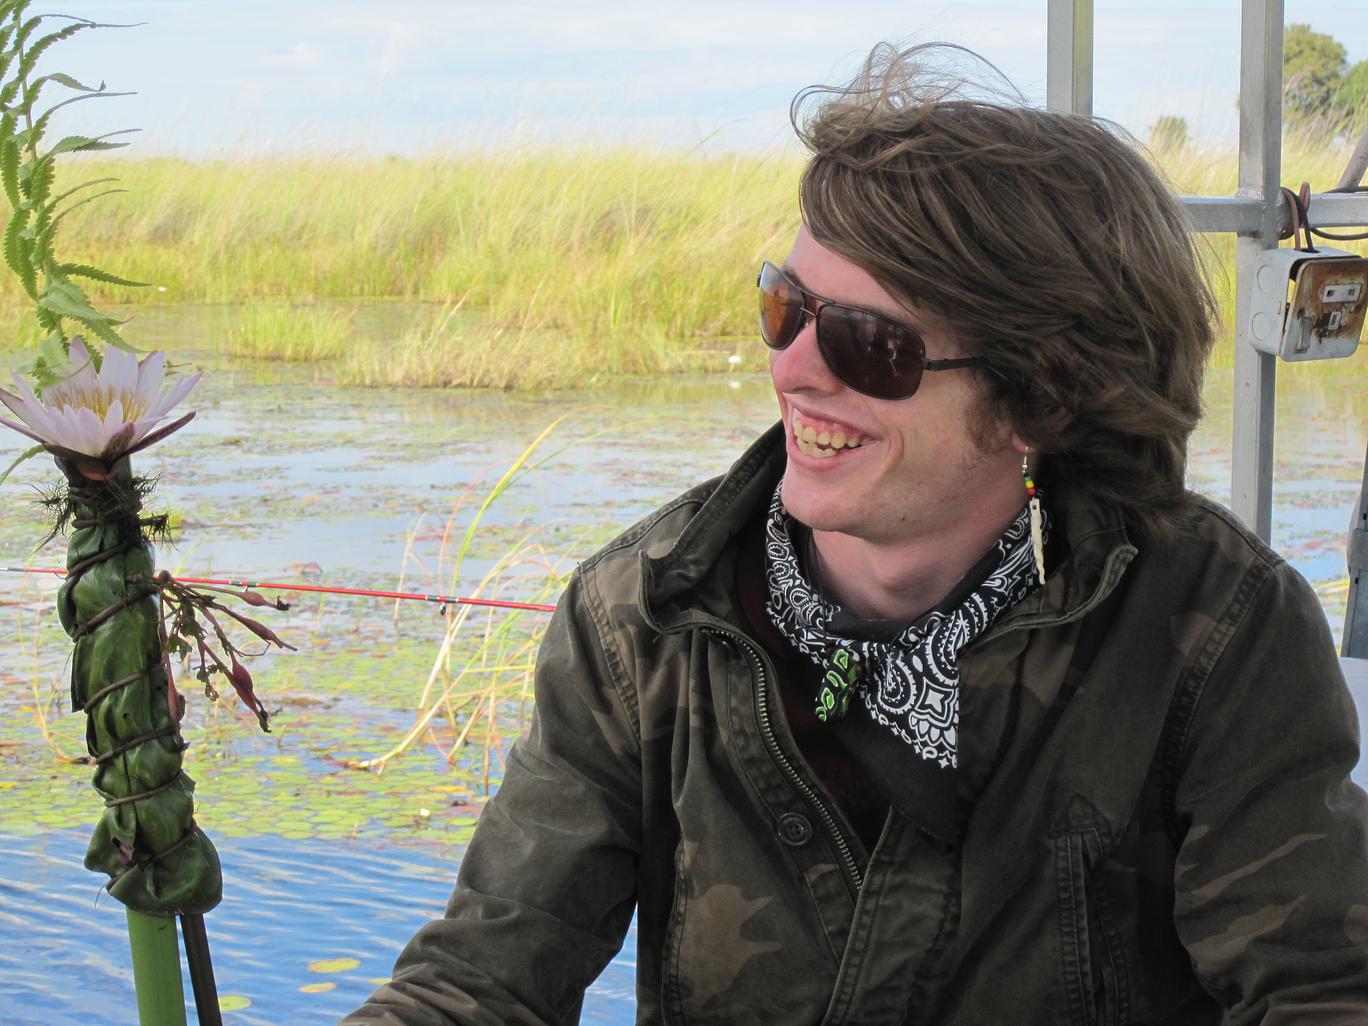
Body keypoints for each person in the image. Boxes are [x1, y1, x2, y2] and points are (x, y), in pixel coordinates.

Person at [344, 43, 1368, 1025]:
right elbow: (481, 984)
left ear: (1042, 402)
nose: (793, 369)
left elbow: (1321, 990)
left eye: (870, 345)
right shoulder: (640, 621)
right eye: (784, 307)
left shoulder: (1213, 628)